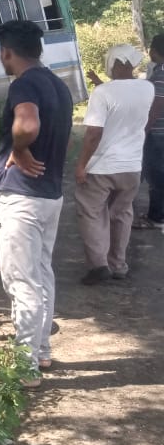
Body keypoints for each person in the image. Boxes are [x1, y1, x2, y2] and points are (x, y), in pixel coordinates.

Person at [0, 20, 74, 388]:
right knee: (41, 274)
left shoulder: (23, 83)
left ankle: (23, 367)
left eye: (1, 53)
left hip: (22, 196)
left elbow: (26, 123)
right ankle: (41, 352)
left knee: (21, 280)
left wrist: (20, 149)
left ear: (7, 52)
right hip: (50, 195)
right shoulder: (58, 84)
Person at [74, 45, 155, 284]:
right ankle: (118, 265)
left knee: (91, 212)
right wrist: (101, 83)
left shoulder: (103, 93)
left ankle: (98, 265)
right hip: (131, 166)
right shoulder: (147, 88)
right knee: (121, 214)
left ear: (116, 63)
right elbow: (123, 99)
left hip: (102, 167)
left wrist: (81, 165)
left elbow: (93, 134)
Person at [134, 33, 164, 229]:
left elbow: (156, 107)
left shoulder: (161, 74)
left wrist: (143, 130)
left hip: (158, 134)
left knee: (157, 175)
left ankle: (157, 217)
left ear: (155, 51)